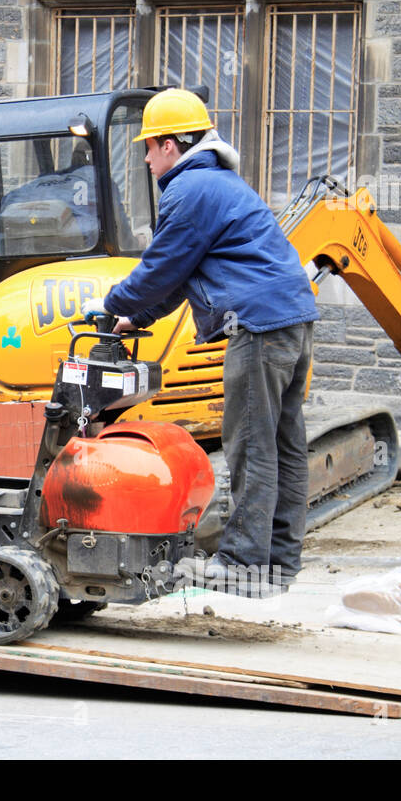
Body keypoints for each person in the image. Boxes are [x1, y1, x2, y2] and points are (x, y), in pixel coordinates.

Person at [81, 89, 319, 597]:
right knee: (284, 445)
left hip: (256, 327)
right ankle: (278, 563)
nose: (145, 159)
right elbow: (177, 283)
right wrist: (135, 318)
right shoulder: (219, 185)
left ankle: (242, 563)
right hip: (293, 319)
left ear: (171, 145)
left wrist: (112, 306)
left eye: (148, 147)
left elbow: (159, 270)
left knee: (251, 445)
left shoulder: (187, 191)